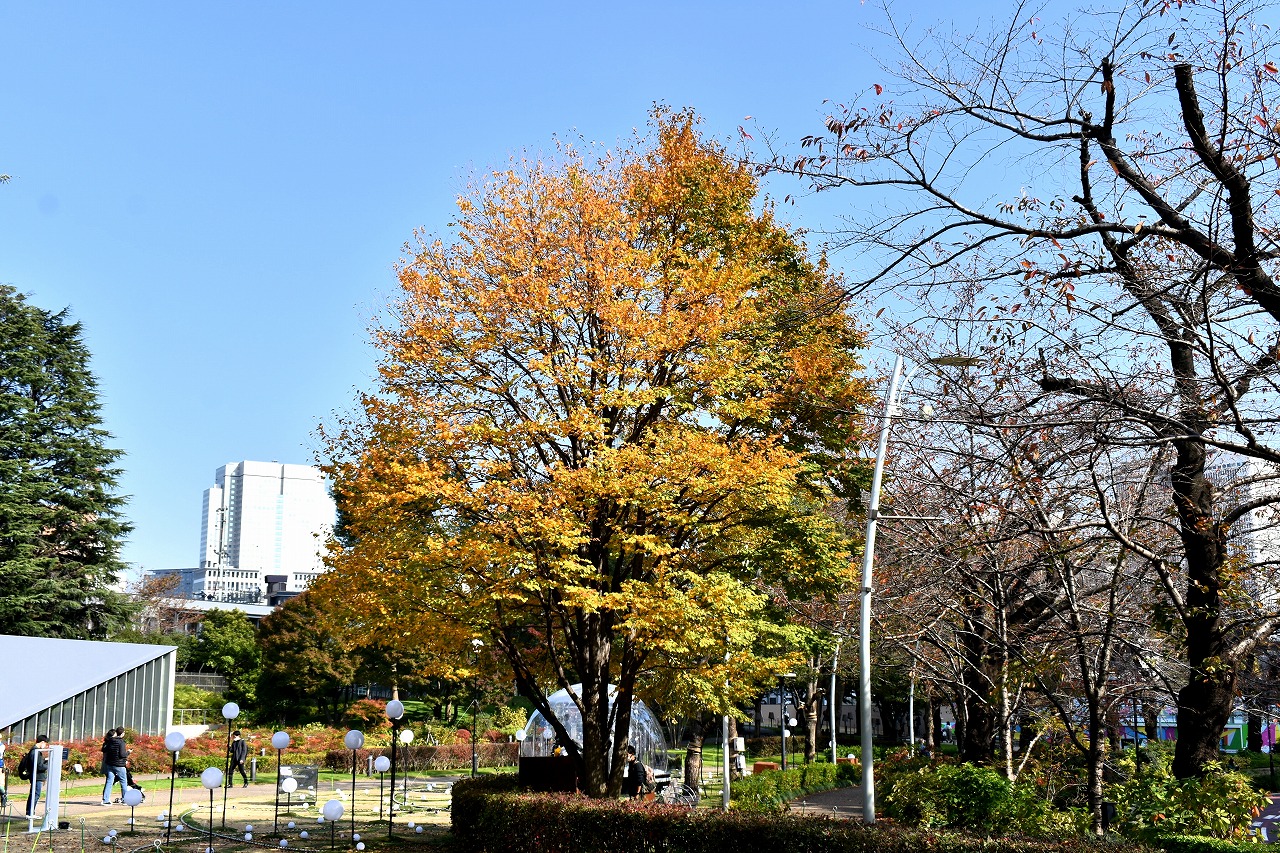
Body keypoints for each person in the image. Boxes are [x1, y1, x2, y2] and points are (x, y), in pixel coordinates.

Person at [18, 735, 49, 817]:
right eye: (45, 744)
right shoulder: (35, 752)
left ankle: (30, 812)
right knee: (35, 794)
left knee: (34, 794)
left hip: (37, 776)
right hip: (36, 776)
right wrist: (47, 765)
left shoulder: (35, 751)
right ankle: (30, 812)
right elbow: (38, 766)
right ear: (42, 742)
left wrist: (45, 761)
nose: (45, 746)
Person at [101, 727, 128, 805]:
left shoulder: (110, 741)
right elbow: (122, 754)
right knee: (123, 782)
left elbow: (105, 750)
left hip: (110, 764)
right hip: (119, 765)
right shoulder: (121, 742)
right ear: (122, 733)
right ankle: (125, 799)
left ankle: (105, 800)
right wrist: (128, 752)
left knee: (109, 782)